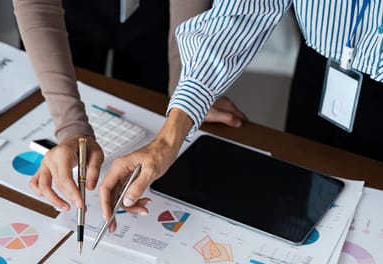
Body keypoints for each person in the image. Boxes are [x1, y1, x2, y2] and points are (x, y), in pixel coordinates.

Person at [12, 0, 246, 218]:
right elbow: (38, 5)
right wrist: (71, 128)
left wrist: (187, 93)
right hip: (72, 13)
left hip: (161, 20)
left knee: (148, 103)